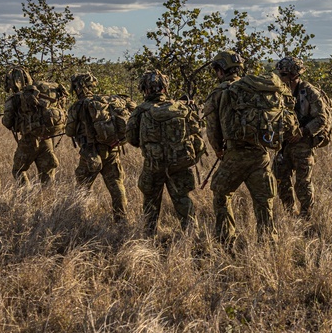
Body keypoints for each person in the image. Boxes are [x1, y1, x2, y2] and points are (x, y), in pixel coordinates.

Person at [203, 50, 296, 248]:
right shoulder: (256, 89)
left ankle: (226, 241)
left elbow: (212, 128)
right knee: (263, 201)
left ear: (220, 70)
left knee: (221, 194)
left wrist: (219, 150)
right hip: (260, 154)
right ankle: (268, 243)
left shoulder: (219, 92)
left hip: (234, 154)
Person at [127, 70, 204, 233]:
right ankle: (192, 236)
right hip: (179, 163)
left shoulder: (140, 111)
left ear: (144, 89)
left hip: (153, 165)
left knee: (150, 202)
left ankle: (149, 237)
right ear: (165, 88)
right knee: (183, 200)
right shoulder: (181, 108)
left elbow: (132, 139)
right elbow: (197, 133)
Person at [65, 71, 130, 221]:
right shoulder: (107, 101)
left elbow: (69, 131)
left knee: (83, 185)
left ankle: (80, 218)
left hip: (90, 152)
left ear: (78, 87)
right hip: (112, 149)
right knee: (116, 185)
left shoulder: (78, 106)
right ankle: (121, 219)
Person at [272, 56, 330, 218]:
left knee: (303, 183)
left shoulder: (309, 92)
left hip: (303, 144)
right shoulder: (278, 92)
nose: (280, 77)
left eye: (283, 74)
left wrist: (302, 132)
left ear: (293, 74)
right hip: (283, 144)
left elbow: (321, 119)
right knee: (280, 179)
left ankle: (306, 215)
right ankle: (289, 212)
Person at [2, 67, 66, 186]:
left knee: (18, 170)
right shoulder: (42, 93)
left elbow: (7, 122)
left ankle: (26, 194)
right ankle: (48, 197)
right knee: (47, 171)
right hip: (46, 139)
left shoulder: (15, 98)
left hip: (29, 140)